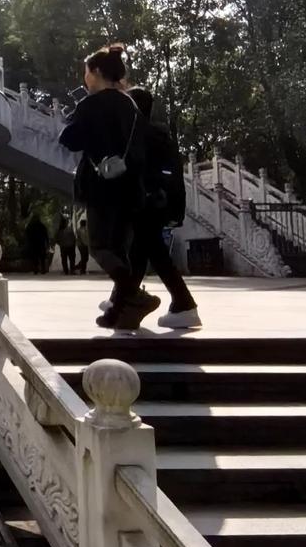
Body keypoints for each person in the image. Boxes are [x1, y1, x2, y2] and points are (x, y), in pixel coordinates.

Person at [58, 42, 151, 331]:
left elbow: (69, 139)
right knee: (119, 249)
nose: (85, 77)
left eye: (86, 72)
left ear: (96, 71)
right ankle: (120, 314)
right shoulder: (131, 104)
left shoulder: (90, 104)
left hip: (100, 186)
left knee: (99, 246)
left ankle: (136, 296)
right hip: (131, 186)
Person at [128, 87, 201, 330]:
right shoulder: (156, 134)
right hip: (158, 202)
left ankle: (183, 304)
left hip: (150, 202)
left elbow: (142, 171)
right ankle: (126, 299)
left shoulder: (142, 135)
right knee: (145, 250)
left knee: (150, 251)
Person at [23, 210, 50, 275]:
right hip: (40, 243)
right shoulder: (42, 226)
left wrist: (27, 242)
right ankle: (43, 269)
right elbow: (46, 235)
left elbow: (26, 235)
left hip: (33, 244)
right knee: (42, 257)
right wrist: (47, 243)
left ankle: (36, 269)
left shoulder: (30, 226)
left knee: (35, 257)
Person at [74, 207, 90, 274]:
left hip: (82, 245)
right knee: (85, 258)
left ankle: (81, 268)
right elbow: (83, 238)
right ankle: (81, 269)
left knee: (85, 258)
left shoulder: (82, 230)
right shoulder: (82, 230)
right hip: (82, 245)